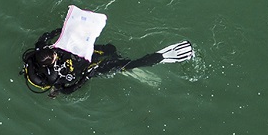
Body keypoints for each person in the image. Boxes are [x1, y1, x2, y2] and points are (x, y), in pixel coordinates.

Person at [21, 28, 194, 96]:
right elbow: (69, 89)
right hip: (88, 69)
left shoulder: (38, 52)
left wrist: (62, 30)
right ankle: (159, 58)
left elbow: (44, 37)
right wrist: (86, 77)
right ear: (51, 63)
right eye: (54, 55)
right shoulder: (58, 77)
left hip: (79, 58)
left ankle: (118, 62)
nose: (55, 53)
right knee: (118, 64)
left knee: (110, 49)